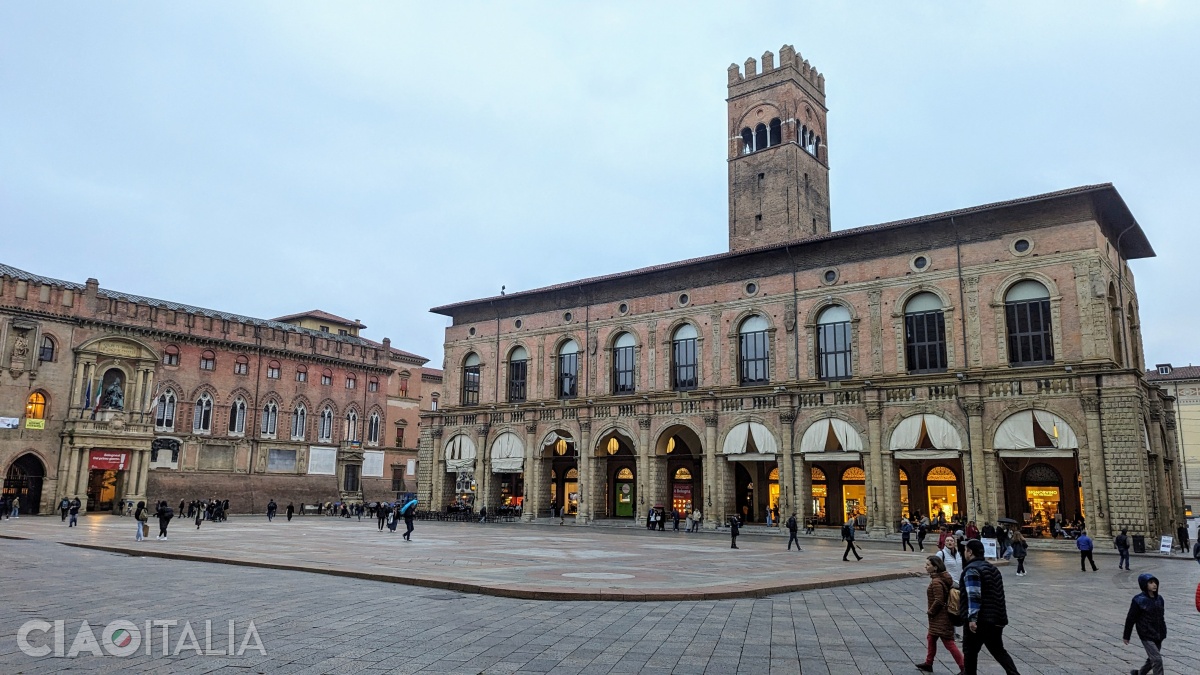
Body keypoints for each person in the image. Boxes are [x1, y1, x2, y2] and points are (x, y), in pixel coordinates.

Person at [960, 539, 1021, 674]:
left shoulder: (972, 570)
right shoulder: (992, 568)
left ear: (970, 552)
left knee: (970, 652)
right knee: (998, 650)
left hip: (980, 620)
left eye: (966, 550)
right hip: (995, 618)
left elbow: (974, 595)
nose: (965, 553)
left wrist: (972, 618)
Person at [916, 555, 964, 673]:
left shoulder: (936, 582)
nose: (925, 567)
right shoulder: (943, 578)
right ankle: (928, 663)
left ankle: (964, 667)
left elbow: (939, 600)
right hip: (940, 617)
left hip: (940, 617)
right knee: (931, 638)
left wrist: (931, 611)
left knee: (948, 642)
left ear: (935, 567)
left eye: (928, 565)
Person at [1122, 573, 1166, 675]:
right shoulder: (1138, 600)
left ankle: (1140, 673)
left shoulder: (1160, 599)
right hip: (1146, 633)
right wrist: (1126, 635)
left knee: (1153, 658)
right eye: (1151, 583)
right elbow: (1130, 618)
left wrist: (1163, 630)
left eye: (1155, 582)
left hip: (1159, 633)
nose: (1154, 585)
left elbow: (1161, 616)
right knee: (1157, 659)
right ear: (1144, 585)